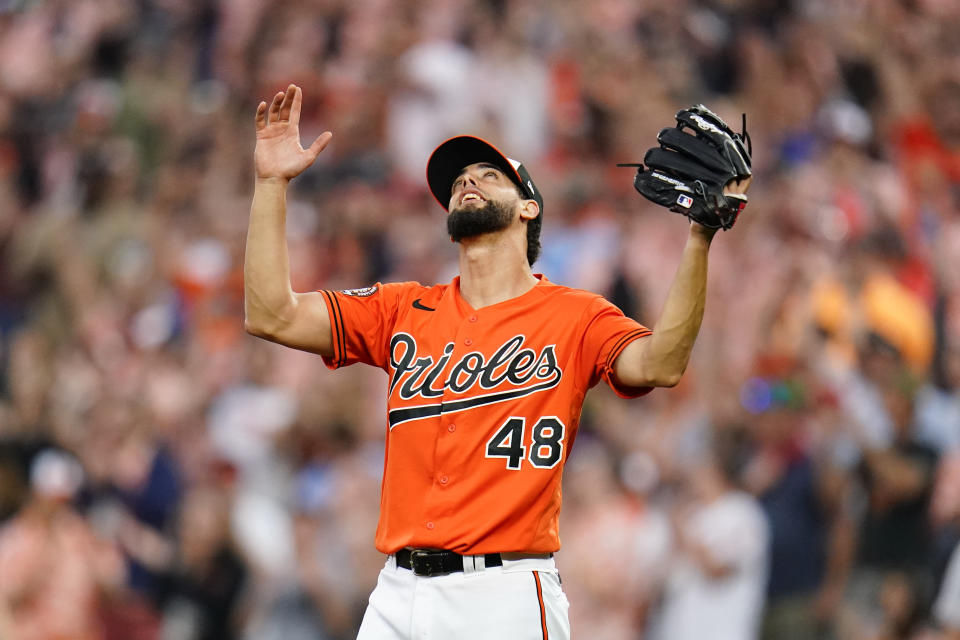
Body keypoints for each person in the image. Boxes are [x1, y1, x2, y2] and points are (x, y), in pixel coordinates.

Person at [243, 84, 752, 639]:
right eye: (459, 179)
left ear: (528, 207)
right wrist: (271, 184)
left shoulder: (574, 315)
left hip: (503, 592)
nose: (467, 181)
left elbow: (661, 363)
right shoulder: (402, 309)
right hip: (395, 590)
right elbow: (272, 314)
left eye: (488, 174)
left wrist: (699, 238)